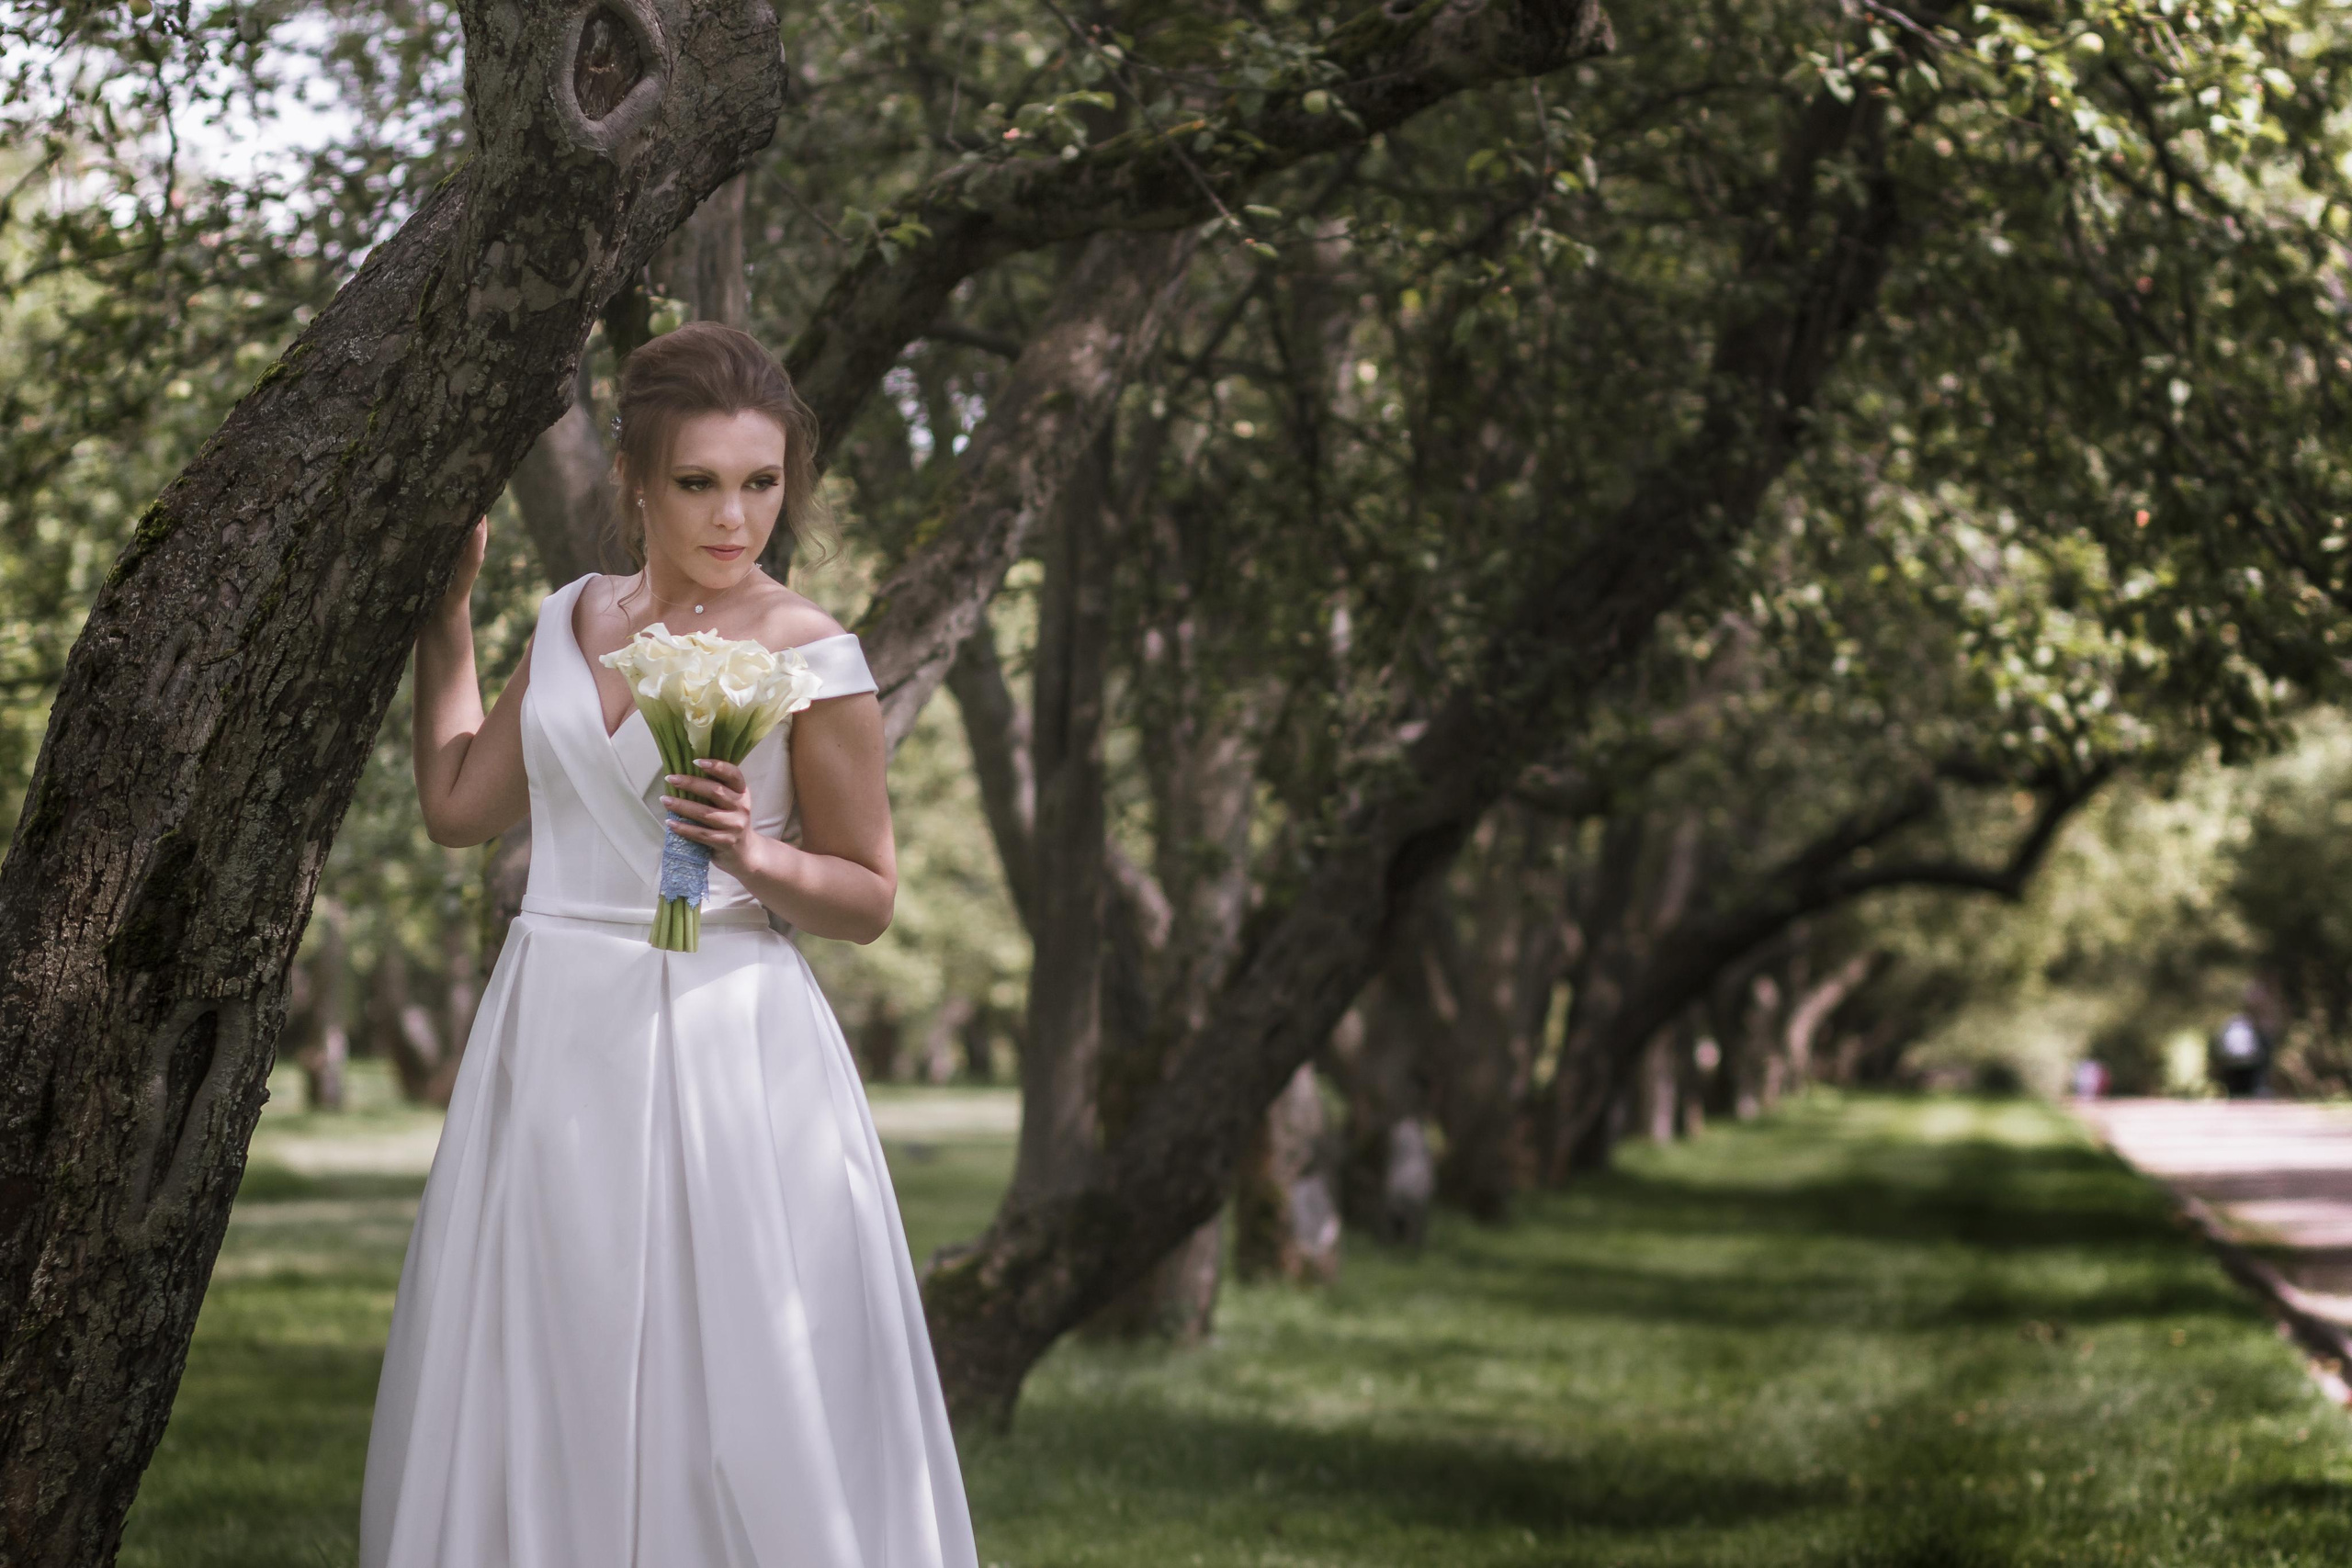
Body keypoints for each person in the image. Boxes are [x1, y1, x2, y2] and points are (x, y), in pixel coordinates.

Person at [362, 321, 979, 1568]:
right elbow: (454, 808)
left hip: (726, 1040)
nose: (734, 515)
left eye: (760, 482)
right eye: (699, 481)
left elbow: (866, 893)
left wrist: (755, 855)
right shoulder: (567, 617)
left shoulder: (814, 653)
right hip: (551, 1031)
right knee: (553, 1348)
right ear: (635, 483)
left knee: (733, 1377)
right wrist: (450, 617)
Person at [2209, 1011, 2271, 1100]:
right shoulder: (2235, 1027)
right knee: (2238, 1090)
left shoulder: (2241, 1027)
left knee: (2245, 1090)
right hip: (2236, 1063)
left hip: (2245, 1063)